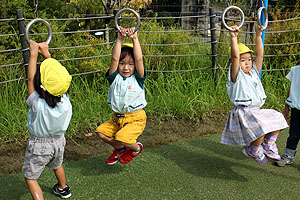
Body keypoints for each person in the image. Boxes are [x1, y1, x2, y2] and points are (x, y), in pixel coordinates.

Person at [220, 25, 288, 163]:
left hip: (255, 110)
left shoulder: (253, 72)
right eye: (242, 60)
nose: (247, 63)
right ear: (234, 63)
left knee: (279, 118)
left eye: (249, 59)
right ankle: (253, 149)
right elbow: (234, 57)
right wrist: (233, 37)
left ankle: (268, 145)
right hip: (243, 112)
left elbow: (260, 55)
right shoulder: (236, 75)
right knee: (261, 127)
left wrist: (258, 36)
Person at [22, 40, 72, 199]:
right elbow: (57, 77)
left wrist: (34, 54)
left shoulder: (37, 103)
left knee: (30, 177)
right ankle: (63, 188)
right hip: (59, 142)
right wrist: (46, 54)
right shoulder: (65, 99)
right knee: (57, 165)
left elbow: (30, 80)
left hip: (39, 145)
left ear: (41, 87)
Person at [96, 27, 147, 165]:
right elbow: (113, 58)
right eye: (122, 63)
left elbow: (139, 59)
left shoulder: (138, 79)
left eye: (130, 64)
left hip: (135, 119)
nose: (126, 68)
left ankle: (136, 149)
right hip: (117, 118)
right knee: (101, 132)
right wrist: (119, 39)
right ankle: (119, 148)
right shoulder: (115, 78)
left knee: (122, 137)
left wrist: (134, 39)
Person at [276, 65, 300, 167]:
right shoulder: (295, 70)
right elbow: (291, 88)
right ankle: (288, 156)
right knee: (294, 134)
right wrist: (286, 106)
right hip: (296, 109)